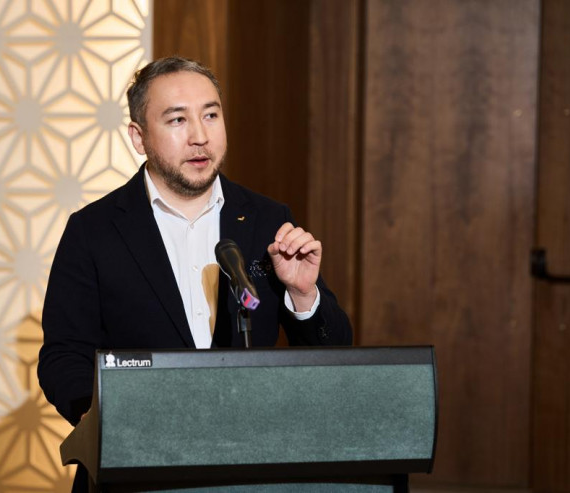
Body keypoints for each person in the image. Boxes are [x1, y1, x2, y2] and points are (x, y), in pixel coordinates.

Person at [38, 56, 352, 491]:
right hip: (136, 470)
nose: (200, 136)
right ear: (139, 137)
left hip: (250, 470)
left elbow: (335, 352)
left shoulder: (266, 220)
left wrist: (303, 295)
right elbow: (63, 355)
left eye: (210, 115)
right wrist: (104, 421)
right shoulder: (93, 230)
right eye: (177, 120)